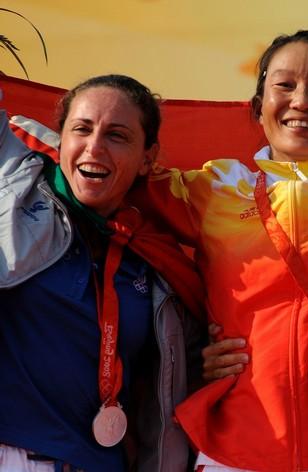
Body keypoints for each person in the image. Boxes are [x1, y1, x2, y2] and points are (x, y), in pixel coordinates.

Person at [130, 30, 308, 471]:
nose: (302, 100)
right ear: (257, 105)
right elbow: (98, 169)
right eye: (284, 85)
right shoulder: (218, 189)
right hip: (235, 452)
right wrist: (192, 356)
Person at [0, 74, 204, 472]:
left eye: (117, 135)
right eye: (82, 129)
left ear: (148, 157)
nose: (94, 147)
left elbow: (177, 384)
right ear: (62, 140)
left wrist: (218, 360)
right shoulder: (13, 193)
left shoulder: (157, 262)